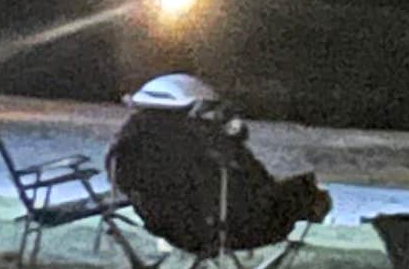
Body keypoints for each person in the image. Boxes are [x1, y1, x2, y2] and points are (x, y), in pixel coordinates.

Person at [107, 81, 330, 257]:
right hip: (228, 230)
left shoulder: (129, 146)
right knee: (306, 192)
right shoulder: (207, 148)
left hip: (169, 229)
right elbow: (255, 186)